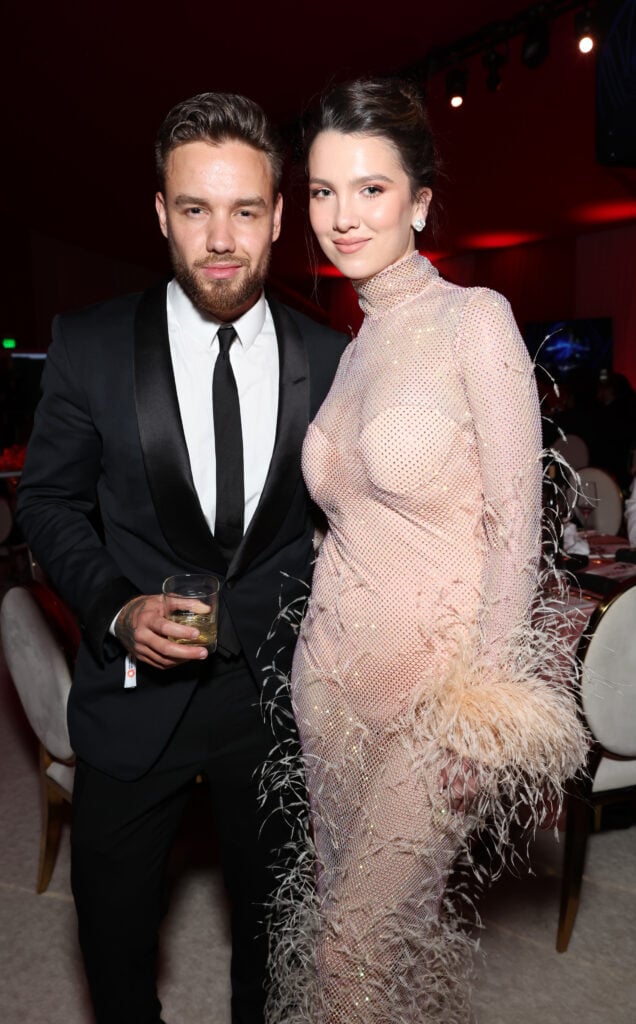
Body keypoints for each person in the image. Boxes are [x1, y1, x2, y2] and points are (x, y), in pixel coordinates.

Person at [17, 91, 347, 1024]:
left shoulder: (330, 358)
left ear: (281, 217)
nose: (220, 238)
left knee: (275, 945)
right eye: (195, 209)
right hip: (132, 699)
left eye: (245, 210)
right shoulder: (87, 346)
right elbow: (45, 503)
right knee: (114, 944)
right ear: (160, 212)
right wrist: (117, 607)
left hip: (274, 700)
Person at [265, 78, 588, 1024]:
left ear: (420, 200)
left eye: (371, 189)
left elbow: (515, 528)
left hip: (433, 702)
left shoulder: (474, 319)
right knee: (357, 931)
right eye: (323, 191)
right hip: (327, 680)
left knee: (347, 950)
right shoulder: (355, 347)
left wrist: (477, 710)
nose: (341, 216)